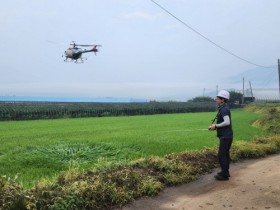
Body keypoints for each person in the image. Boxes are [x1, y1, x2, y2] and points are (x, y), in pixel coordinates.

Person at [208, 90, 233, 181]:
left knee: (221, 155)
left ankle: (224, 174)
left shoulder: (224, 109)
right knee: (225, 155)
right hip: (227, 136)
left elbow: (227, 122)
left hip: (225, 137)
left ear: (223, 99)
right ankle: (225, 172)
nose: (216, 100)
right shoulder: (223, 107)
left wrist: (216, 126)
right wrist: (215, 127)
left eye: (217, 98)